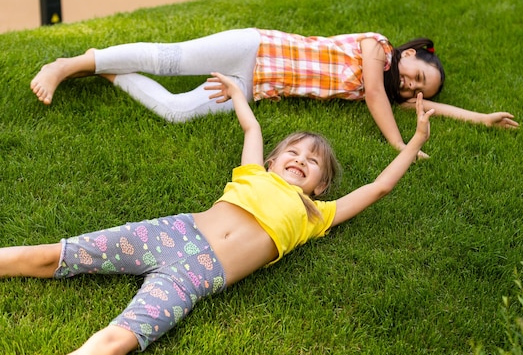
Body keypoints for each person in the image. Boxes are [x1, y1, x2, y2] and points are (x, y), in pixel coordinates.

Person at [5, 72, 435, 355]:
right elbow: (252, 128)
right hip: (171, 233)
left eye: (313, 162)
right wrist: (235, 94)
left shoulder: (315, 214)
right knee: (55, 255)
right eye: (294, 151)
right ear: (272, 160)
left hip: (197, 277)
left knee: (122, 339)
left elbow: (378, 188)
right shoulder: (252, 172)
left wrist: (414, 141)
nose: (301, 159)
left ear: (319, 186)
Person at [30, 28, 518, 154]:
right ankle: (67, 64)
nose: (412, 89)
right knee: (170, 58)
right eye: (417, 76)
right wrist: (398, 143)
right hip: (253, 48)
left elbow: (434, 107)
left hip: (253, 84)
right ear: (410, 55)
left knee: (177, 112)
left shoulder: (393, 89)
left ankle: (105, 68)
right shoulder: (378, 49)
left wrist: (481, 118)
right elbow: (374, 95)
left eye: (417, 91)